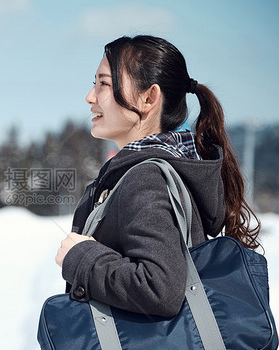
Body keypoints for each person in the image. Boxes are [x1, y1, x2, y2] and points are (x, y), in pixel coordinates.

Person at [54, 35, 261, 317]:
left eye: (104, 83)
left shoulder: (147, 178)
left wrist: (82, 258)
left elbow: (159, 289)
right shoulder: (161, 170)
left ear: (148, 98)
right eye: (95, 84)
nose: (90, 97)